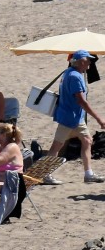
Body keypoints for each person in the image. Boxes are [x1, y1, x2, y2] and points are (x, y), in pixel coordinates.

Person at [45, 49, 105, 184]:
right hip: (70, 118)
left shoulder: (68, 73)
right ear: (81, 61)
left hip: (73, 117)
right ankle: (45, 174)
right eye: (88, 60)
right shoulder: (75, 77)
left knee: (87, 141)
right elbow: (81, 101)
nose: (90, 62)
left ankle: (88, 174)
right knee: (56, 146)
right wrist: (98, 118)